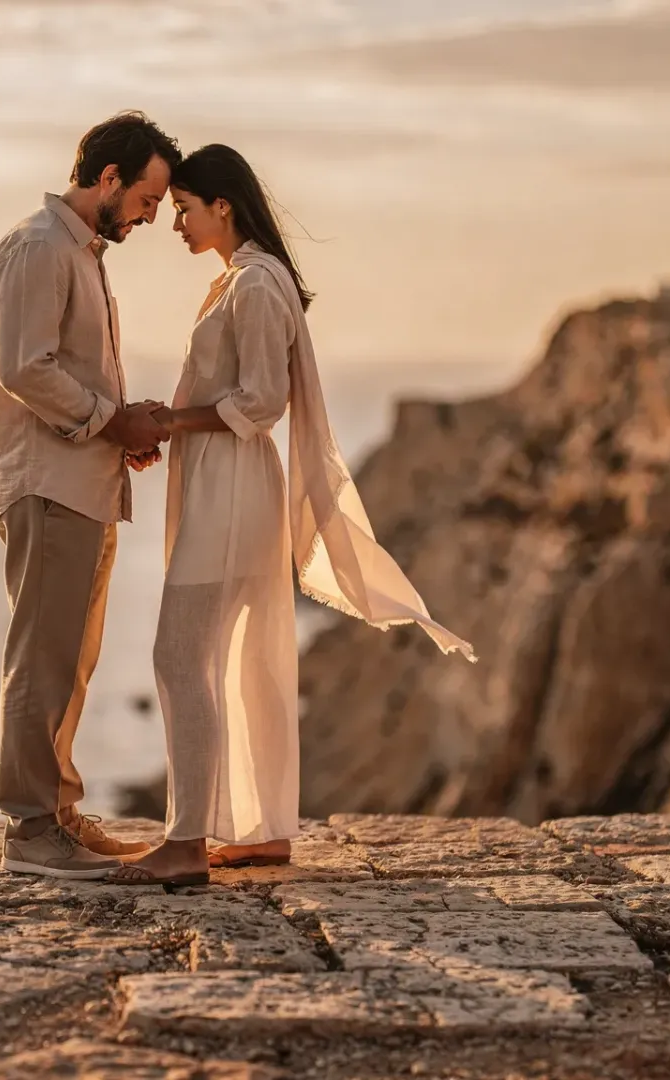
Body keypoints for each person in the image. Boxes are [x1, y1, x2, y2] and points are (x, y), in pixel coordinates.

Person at [109, 144, 475, 887]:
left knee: (181, 658)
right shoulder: (244, 280)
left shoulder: (254, 284)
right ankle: (260, 832)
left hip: (234, 489)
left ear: (224, 206)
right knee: (240, 659)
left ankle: (185, 843)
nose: (176, 224)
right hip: (230, 485)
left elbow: (260, 402)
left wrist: (169, 421)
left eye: (184, 209)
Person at [0, 112, 180, 878]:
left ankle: (57, 813)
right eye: (147, 198)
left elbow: (70, 372)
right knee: (43, 655)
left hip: (82, 484)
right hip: (47, 484)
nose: (151, 215)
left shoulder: (80, 252)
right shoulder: (38, 247)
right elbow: (23, 368)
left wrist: (118, 431)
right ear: (107, 179)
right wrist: (111, 420)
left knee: (73, 658)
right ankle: (32, 832)